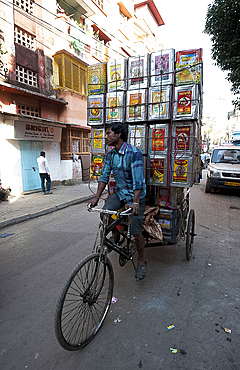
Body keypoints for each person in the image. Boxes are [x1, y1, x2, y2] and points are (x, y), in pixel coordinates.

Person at [90, 122, 147, 282]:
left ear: (119, 135)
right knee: (105, 214)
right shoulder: (110, 155)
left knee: (136, 231)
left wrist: (135, 202)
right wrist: (96, 198)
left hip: (136, 196)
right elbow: (104, 177)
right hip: (121, 193)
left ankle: (141, 261)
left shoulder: (134, 153)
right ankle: (116, 234)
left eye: (108, 133)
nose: (106, 136)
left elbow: (138, 180)